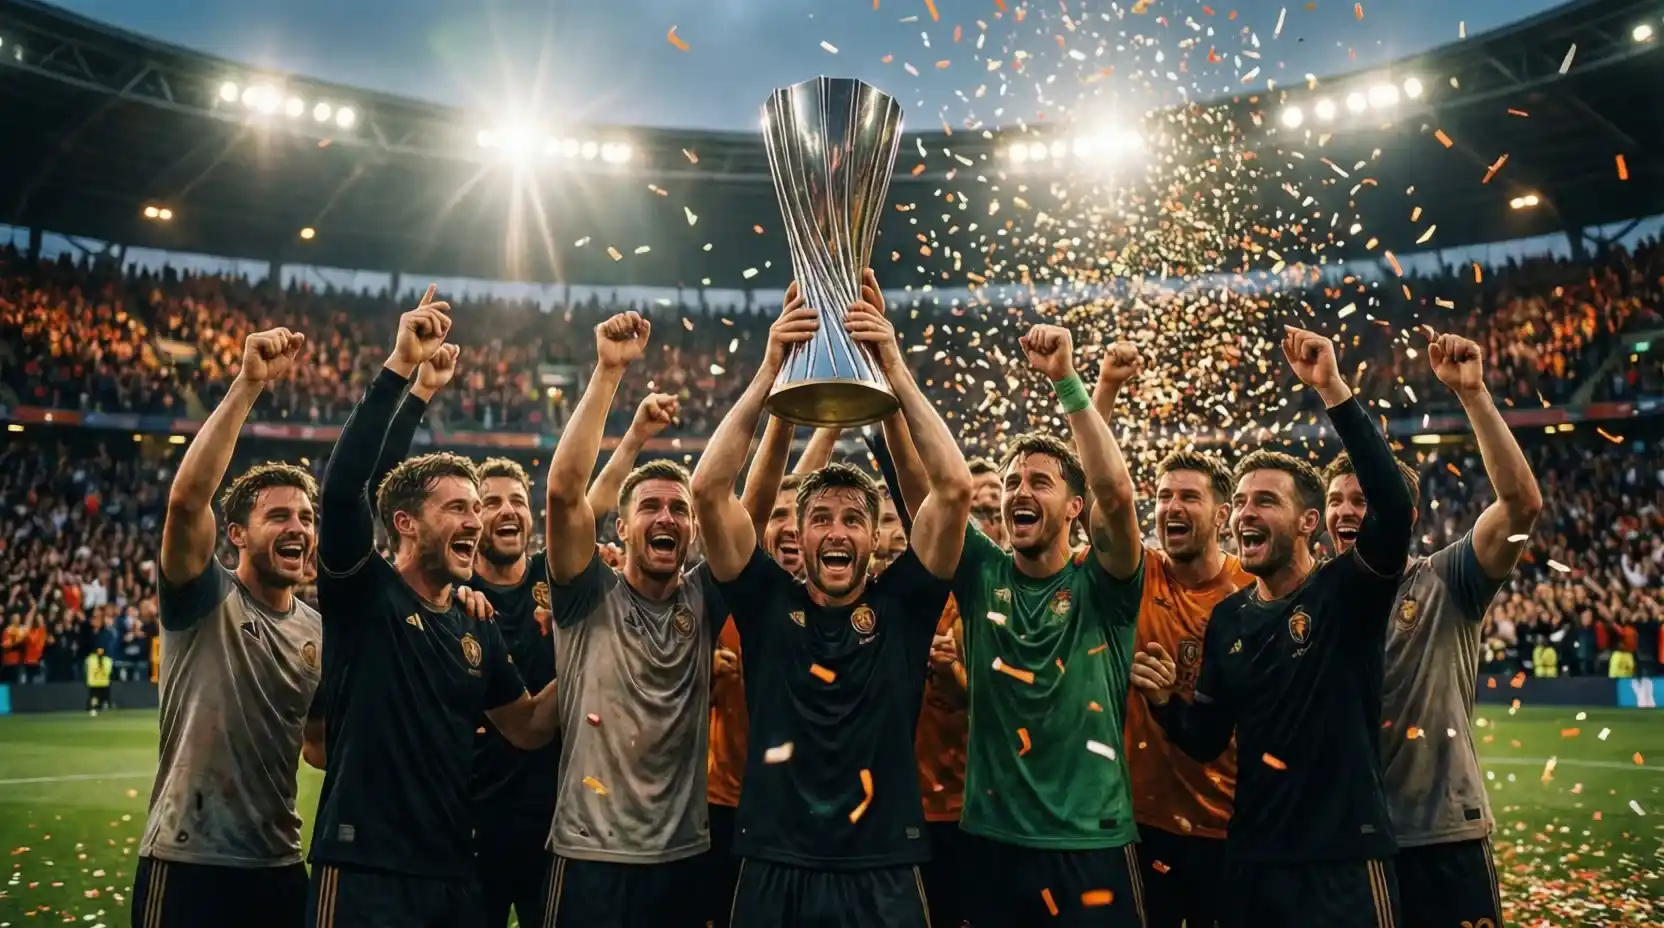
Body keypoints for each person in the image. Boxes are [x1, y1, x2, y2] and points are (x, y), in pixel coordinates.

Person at [690, 282, 973, 927]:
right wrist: (771, 371)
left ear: (874, 538)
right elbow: (707, 490)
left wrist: (891, 367)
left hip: (883, 863)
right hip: (774, 858)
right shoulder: (766, 600)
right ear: (799, 533)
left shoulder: (904, 604)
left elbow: (953, 489)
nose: (836, 532)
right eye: (820, 518)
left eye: (852, 520)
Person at [1132, 324, 1416, 928]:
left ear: (1309, 522)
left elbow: (1393, 507)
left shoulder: (1346, 592)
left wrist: (1332, 389)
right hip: (1254, 861)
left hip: (1342, 858)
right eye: (1239, 502)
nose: (1244, 514)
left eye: (1265, 501)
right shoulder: (1229, 617)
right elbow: (1206, 739)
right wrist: (1163, 703)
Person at [307, 286, 560, 928]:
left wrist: (596, 644)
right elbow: (346, 490)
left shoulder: (476, 623)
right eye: (458, 509)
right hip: (364, 870)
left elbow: (528, 726)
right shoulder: (363, 593)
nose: (477, 521)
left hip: (453, 874)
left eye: (477, 509)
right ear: (405, 524)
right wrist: (403, 373)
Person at [1323, 330, 1540, 928]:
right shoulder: (1314, 599)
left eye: (1363, 499)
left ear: (1405, 516)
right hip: (1351, 842)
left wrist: (1473, 395)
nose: (1346, 511)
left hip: (1444, 835)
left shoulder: (1447, 579)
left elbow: (1521, 506)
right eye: (1336, 500)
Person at [946, 325, 1147, 927]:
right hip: (993, 840)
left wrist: (1069, 381)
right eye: (1012, 482)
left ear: (1074, 508)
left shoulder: (1103, 585)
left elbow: (1115, 494)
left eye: (1039, 482)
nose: (1019, 492)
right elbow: (933, 488)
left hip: (1090, 842)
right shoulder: (981, 571)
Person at [539, 311, 725, 928]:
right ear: (620, 527)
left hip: (683, 857)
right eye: (650, 507)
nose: (666, 518)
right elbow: (564, 494)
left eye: (679, 509)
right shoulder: (586, 595)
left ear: (694, 529)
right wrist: (608, 372)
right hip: (590, 854)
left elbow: (743, 501)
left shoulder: (705, 596)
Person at [131, 327, 322, 928]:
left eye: (306, 517)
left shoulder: (319, 630)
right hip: (188, 860)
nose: (298, 528)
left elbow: (320, 746)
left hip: (279, 863)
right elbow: (188, 502)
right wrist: (248, 385)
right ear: (236, 534)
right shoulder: (204, 596)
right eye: (278, 516)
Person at [1093, 346, 1253, 928]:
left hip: (1230, 824)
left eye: (1189, 497)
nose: (1171, 508)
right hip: (1141, 823)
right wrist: (1105, 389)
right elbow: (1100, 497)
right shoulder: (1140, 574)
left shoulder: (1251, 590)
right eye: (1163, 497)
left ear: (1222, 514)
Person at [86, 647, 113, 714]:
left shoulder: (90, 659)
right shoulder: (108, 660)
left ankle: (93, 709)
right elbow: (109, 671)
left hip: (93, 682)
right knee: (104, 697)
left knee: (94, 696)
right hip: (104, 682)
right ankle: (103, 707)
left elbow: (86, 669)